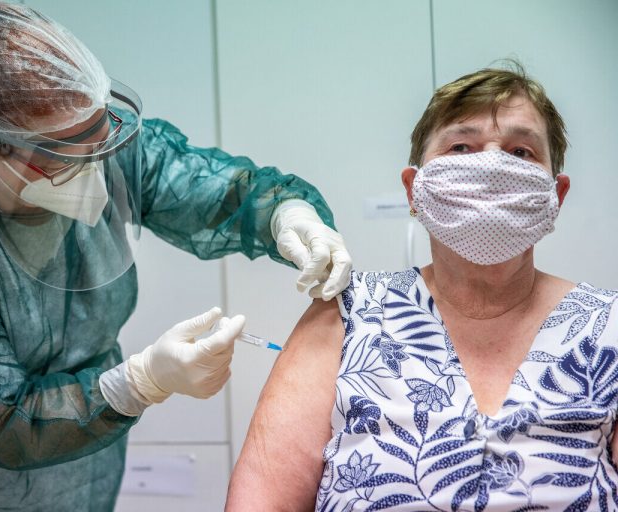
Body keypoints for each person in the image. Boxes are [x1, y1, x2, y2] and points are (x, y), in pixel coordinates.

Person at [0, 2, 352, 510]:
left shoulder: (83, 127)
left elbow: (198, 186)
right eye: (68, 159)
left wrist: (285, 213)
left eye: (102, 142)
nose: (97, 170)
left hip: (78, 472)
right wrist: (141, 381)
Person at [227, 63, 618, 511]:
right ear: (415, 190)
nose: (490, 165)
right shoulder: (348, 315)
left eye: (521, 152)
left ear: (556, 194)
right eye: (460, 146)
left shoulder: (608, 325)